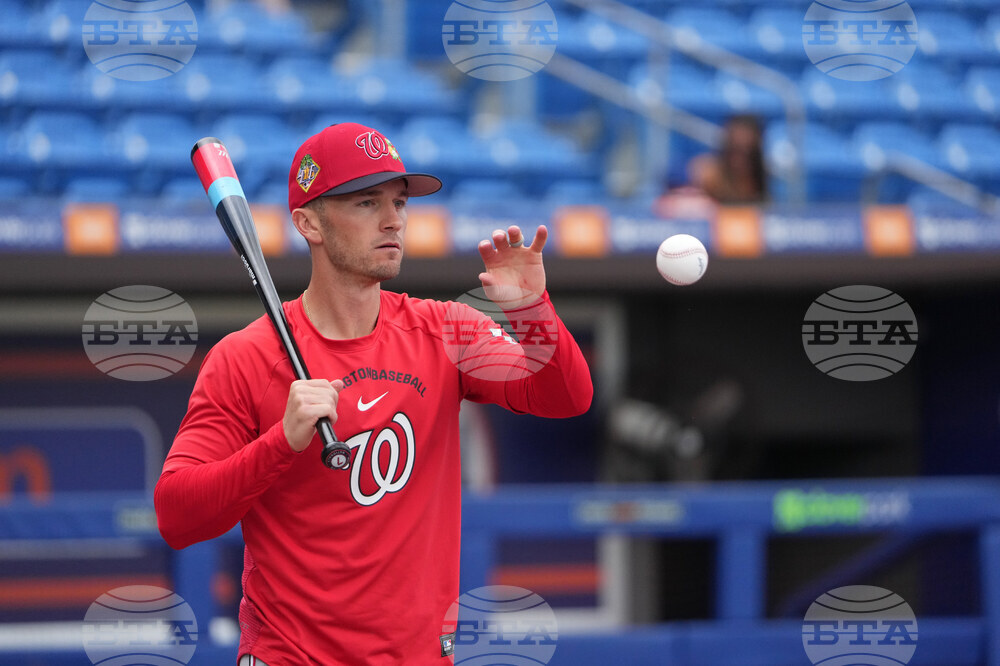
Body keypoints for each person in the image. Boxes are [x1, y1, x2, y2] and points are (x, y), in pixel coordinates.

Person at [154, 122, 593, 665]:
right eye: (366, 202)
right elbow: (176, 515)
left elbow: (566, 398)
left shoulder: (445, 330)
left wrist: (532, 313)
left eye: (400, 202)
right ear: (308, 223)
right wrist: (281, 443)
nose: (393, 220)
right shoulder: (245, 357)